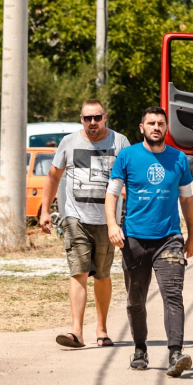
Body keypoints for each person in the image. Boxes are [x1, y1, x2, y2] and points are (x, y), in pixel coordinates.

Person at [106, 106, 193, 377]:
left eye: (160, 123)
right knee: (136, 300)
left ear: (166, 128)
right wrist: (112, 224)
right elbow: (112, 194)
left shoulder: (179, 159)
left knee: (173, 295)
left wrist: (192, 235)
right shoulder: (127, 156)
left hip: (169, 239)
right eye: (151, 123)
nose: (156, 127)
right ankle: (139, 348)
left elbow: (187, 200)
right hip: (133, 239)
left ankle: (176, 353)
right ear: (142, 127)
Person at [40, 99, 130, 349]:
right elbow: (53, 176)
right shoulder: (69, 142)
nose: (92, 123)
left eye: (97, 118)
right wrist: (46, 211)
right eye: (87, 118)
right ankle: (76, 332)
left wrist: (129, 216)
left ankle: (102, 330)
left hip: (107, 220)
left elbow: (130, 179)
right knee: (78, 271)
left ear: (105, 117)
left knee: (101, 274)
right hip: (75, 216)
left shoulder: (120, 142)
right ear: (81, 119)